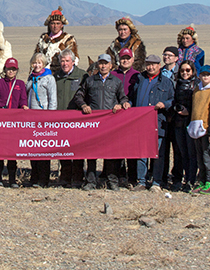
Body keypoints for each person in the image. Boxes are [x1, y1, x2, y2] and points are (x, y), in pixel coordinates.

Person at [74, 54, 131, 191]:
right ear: (97, 65)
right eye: (101, 63)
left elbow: (123, 97)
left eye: (106, 63)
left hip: (109, 123)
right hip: (93, 123)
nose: (103, 66)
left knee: (110, 153)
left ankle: (112, 181)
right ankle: (91, 181)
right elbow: (79, 95)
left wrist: (122, 104)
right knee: (91, 154)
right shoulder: (90, 81)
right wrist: (83, 106)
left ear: (111, 65)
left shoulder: (116, 82)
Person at [131, 54, 174, 192]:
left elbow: (173, 100)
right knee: (141, 153)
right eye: (148, 64)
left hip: (158, 122)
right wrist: (127, 104)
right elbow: (133, 97)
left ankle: (156, 182)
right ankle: (141, 181)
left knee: (157, 154)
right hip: (140, 123)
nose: (151, 67)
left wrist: (165, 104)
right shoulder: (140, 79)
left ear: (159, 65)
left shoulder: (166, 82)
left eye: (154, 64)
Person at [0, 58, 28, 187]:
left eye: (13, 69)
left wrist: (24, 106)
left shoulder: (20, 84)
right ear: (5, 70)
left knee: (12, 152)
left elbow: (23, 100)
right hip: (0, 122)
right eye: (9, 69)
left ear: (17, 70)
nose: (11, 71)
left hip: (14, 123)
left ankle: (12, 179)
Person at [53, 48, 88, 188]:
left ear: (73, 61)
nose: (64, 63)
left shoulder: (82, 75)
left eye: (67, 61)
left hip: (77, 119)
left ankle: (78, 177)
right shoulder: (56, 77)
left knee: (78, 149)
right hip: (60, 119)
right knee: (63, 149)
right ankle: (65, 176)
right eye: (62, 61)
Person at [25, 53, 57, 188]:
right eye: (34, 63)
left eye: (39, 63)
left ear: (43, 64)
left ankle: (43, 179)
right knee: (33, 148)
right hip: (31, 117)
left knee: (43, 149)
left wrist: (50, 117)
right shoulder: (31, 77)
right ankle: (34, 176)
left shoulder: (49, 78)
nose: (37, 65)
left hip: (44, 117)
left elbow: (53, 99)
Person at [189, 65, 210, 194]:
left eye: (208, 75)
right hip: (196, 128)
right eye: (203, 75)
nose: (205, 77)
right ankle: (201, 180)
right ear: (199, 76)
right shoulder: (197, 90)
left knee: (208, 156)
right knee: (200, 157)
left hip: (207, 130)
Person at [112, 48, 141, 187]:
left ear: (132, 60)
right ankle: (118, 175)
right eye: (123, 58)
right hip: (115, 114)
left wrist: (129, 103)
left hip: (131, 115)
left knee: (131, 147)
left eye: (128, 58)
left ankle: (132, 177)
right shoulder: (112, 74)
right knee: (116, 146)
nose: (125, 60)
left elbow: (139, 95)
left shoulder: (138, 76)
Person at [168, 60, 198, 192]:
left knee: (191, 153)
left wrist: (189, 111)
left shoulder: (196, 85)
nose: (185, 73)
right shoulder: (175, 84)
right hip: (178, 122)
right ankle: (179, 179)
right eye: (182, 70)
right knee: (180, 153)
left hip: (191, 123)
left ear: (192, 71)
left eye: (188, 70)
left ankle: (191, 180)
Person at [34, 6, 79, 74]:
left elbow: (73, 59)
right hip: (42, 74)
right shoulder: (43, 39)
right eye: (52, 23)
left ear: (62, 25)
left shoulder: (68, 39)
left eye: (58, 23)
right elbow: (36, 58)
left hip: (60, 75)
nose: (55, 26)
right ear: (49, 25)